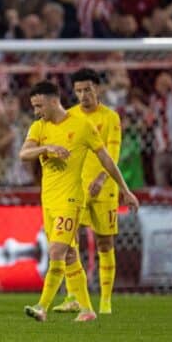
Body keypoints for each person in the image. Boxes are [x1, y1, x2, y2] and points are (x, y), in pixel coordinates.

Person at [19, 80, 138, 322]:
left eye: (39, 106)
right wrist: (46, 149)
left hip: (71, 200)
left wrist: (124, 189)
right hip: (49, 201)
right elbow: (24, 154)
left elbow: (106, 159)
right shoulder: (39, 127)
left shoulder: (82, 127)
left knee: (56, 251)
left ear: (54, 101)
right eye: (34, 107)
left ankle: (41, 307)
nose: (36, 111)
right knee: (70, 255)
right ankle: (87, 310)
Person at [53, 68, 122, 315]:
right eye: (79, 91)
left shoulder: (111, 118)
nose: (83, 95)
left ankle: (105, 302)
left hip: (105, 188)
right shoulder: (68, 116)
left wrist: (103, 178)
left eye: (88, 90)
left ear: (98, 89)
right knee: (70, 242)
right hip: (76, 188)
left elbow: (112, 153)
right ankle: (73, 297)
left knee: (104, 243)